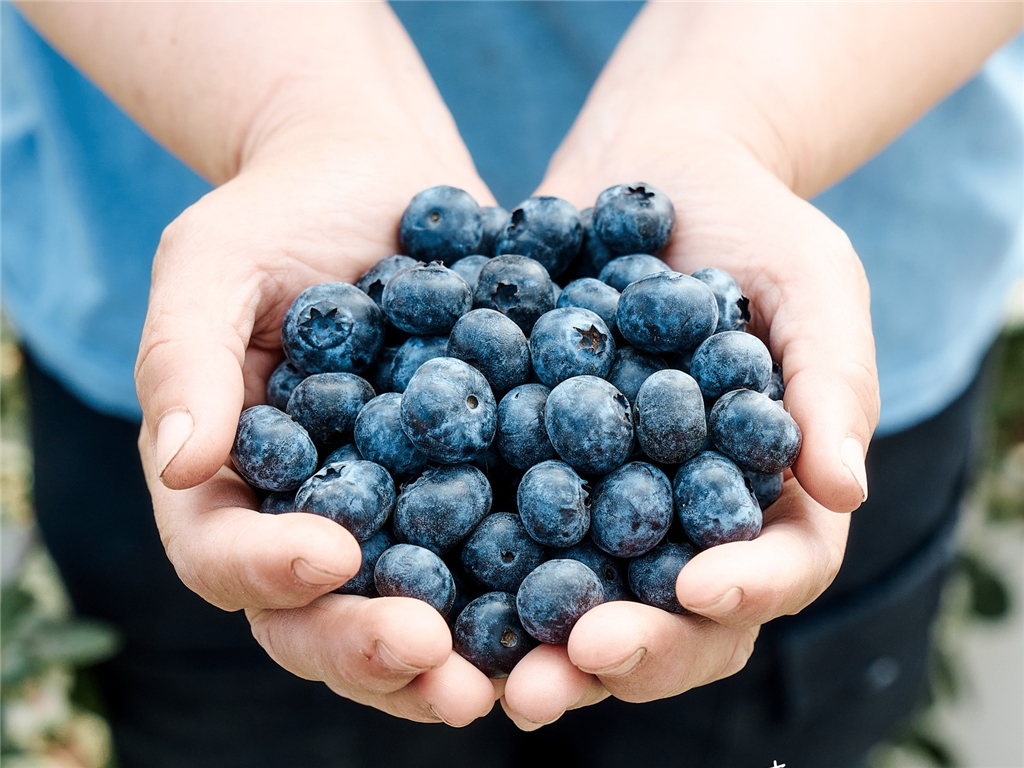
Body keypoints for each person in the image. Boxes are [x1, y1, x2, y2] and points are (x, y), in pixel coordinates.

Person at [2, 2, 1021, 766]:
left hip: (854, 192)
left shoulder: (689, 392)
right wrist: (287, 112)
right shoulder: (363, 388)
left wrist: (744, 121)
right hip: (187, 293)